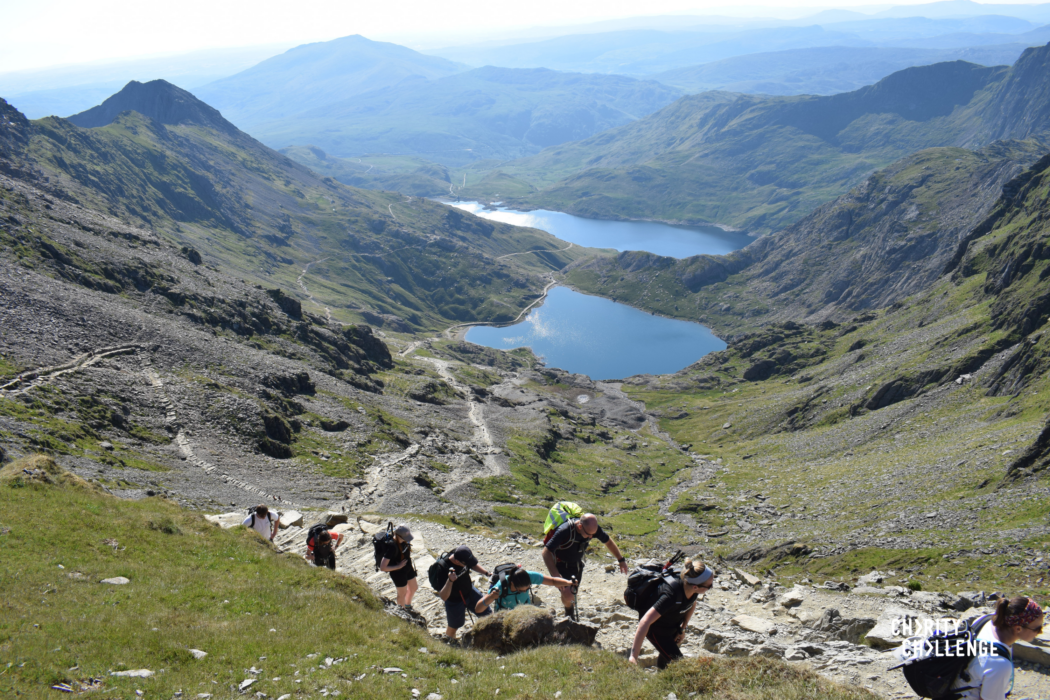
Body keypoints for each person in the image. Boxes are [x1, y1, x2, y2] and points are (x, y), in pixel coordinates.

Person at [950, 596, 1044, 700]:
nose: (1040, 632)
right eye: (1037, 628)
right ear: (1018, 628)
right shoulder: (999, 664)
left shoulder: (985, 620)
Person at [628, 559, 714, 669]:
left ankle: (661, 679)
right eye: (709, 586)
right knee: (679, 665)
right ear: (695, 586)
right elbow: (645, 621)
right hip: (657, 630)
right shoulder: (670, 596)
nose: (711, 587)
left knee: (667, 658)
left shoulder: (691, 589)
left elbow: (692, 603)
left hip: (672, 625)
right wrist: (633, 656)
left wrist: (682, 629)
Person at [541, 513, 629, 617]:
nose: (591, 537)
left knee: (573, 592)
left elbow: (608, 541)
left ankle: (569, 611)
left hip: (577, 565)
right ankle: (569, 615)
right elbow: (546, 552)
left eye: (593, 534)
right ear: (579, 526)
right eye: (588, 535)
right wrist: (555, 576)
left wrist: (620, 559)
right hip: (560, 564)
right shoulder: (564, 531)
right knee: (568, 593)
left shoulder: (591, 529)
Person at [435, 546, 491, 640]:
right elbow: (443, 596)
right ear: (457, 561)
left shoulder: (462, 555)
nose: (468, 566)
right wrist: (450, 581)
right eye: (466, 564)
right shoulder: (441, 569)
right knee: (454, 626)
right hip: (454, 601)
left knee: (487, 613)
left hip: (470, 591)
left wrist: (486, 573)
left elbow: (472, 565)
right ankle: (449, 644)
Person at [475, 566, 573, 613]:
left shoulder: (528, 576)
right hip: (503, 614)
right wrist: (491, 597)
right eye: (521, 591)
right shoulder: (501, 586)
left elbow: (552, 581)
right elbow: (478, 609)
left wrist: (569, 583)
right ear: (512, 584)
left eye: (527, 589)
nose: (525, 592)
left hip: (524, 611)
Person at [379, 524, 418, 608]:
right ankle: (402, 612)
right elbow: (382, 567)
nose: (408, 540)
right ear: (399, 536)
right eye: (406, 538)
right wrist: (398, 566)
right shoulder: (392, 547)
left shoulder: (404, 541)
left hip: (407, 566)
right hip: (398, 573)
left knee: (414, 587)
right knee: (402, 594)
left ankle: (407, 606)